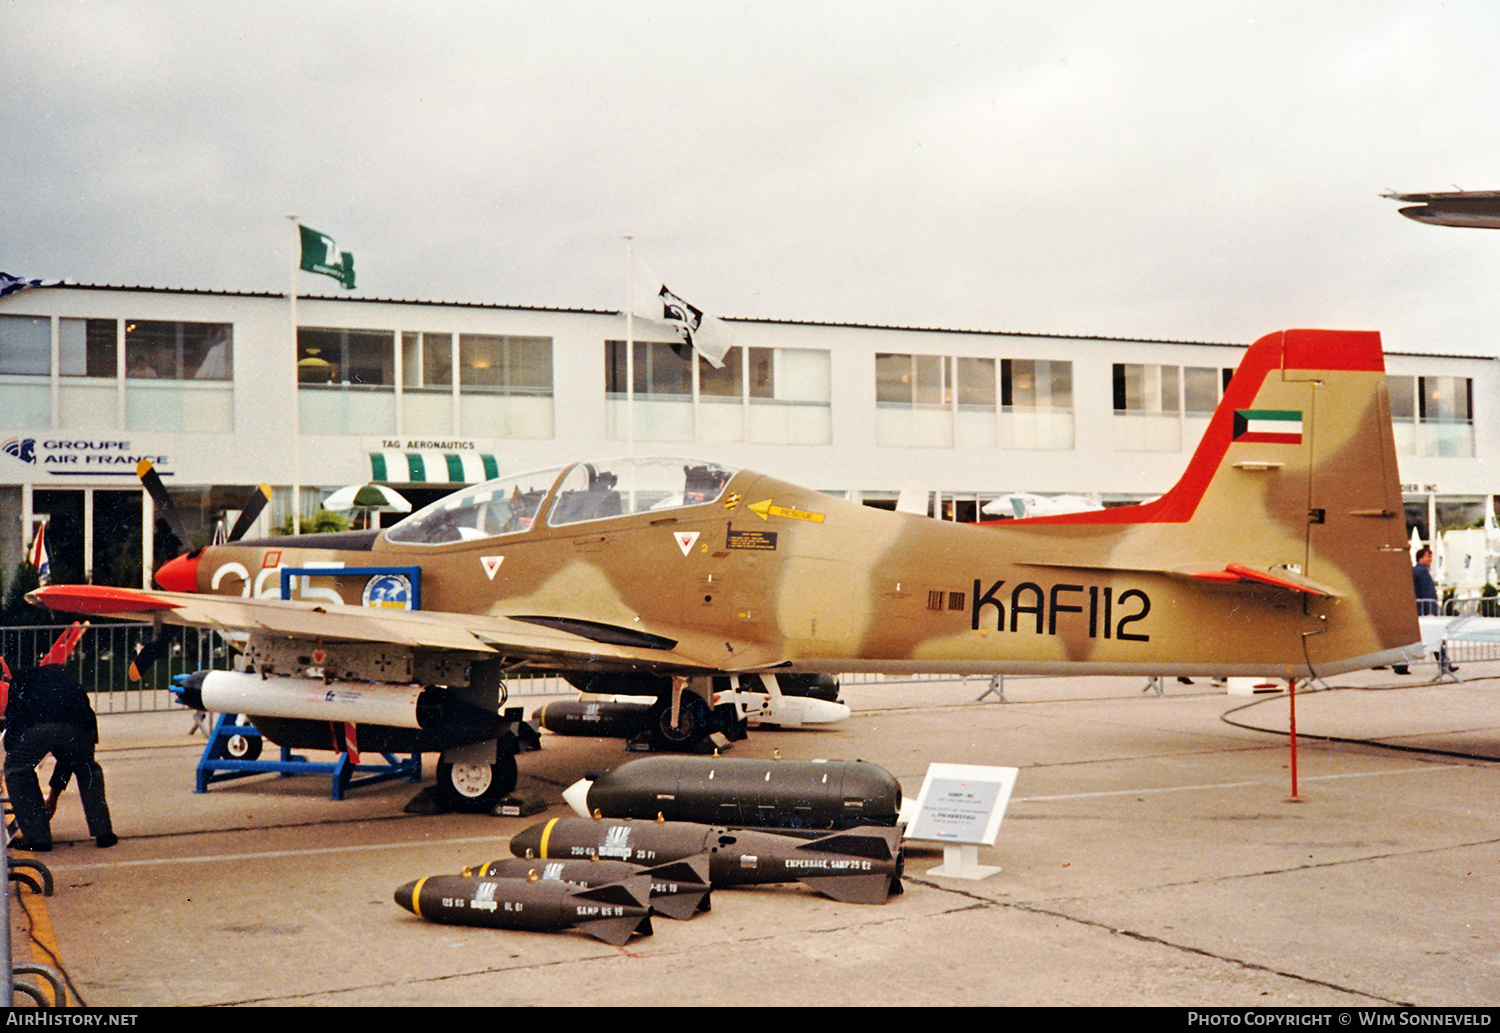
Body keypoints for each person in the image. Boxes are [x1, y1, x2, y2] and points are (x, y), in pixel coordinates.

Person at [2, 658, 116, 851]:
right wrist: (53, 797)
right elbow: (67, 761)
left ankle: (37, 838)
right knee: (87, 769)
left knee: (17, 770)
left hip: (37, 725)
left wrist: (11, 749)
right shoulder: (71, 684)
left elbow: (14, 717)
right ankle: (104, 834)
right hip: (80, 727)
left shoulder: (25, 677)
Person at [1393, 546, 1440, 675]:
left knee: (1419, 638)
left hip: (1418, 609)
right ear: (1421, 558)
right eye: (1428, 556)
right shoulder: (1422, 572)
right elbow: (1427, 592)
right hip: (1424, 610)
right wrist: (1430, 610)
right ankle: (1444, 663)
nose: (1431, 559)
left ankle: (1444, 662)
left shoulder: (1415, 571)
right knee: (1435, 636)